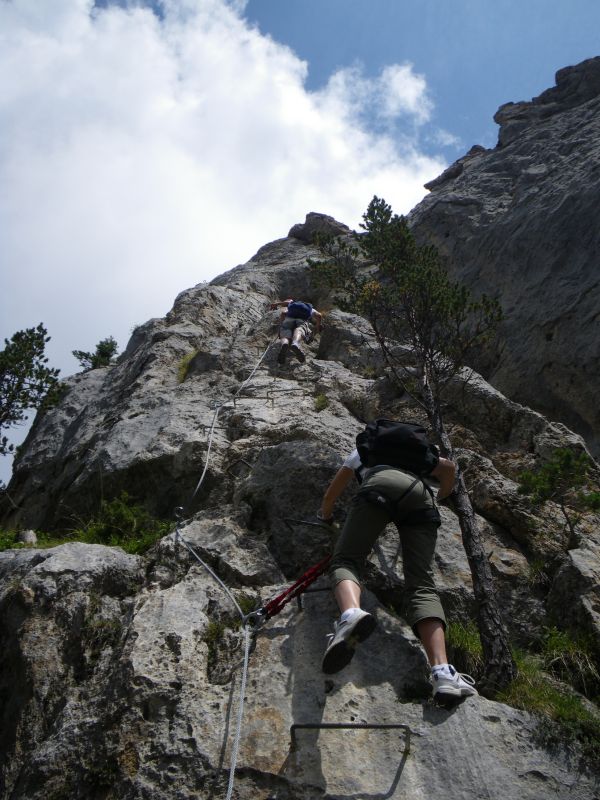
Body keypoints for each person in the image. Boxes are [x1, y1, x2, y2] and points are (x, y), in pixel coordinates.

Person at [317, 434, 478, 703]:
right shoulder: (418, 455)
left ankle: (350, 615)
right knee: (422, 585)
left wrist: (326, 515)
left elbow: (331, 494)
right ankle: (443, 674)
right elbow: (449, 468)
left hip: (379, 485)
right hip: (420, 494)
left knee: (346, 560)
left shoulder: (363, 452)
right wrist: (441, 495)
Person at [270, 299, 322, 364]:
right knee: (300, 329)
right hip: (302, 320)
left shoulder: (293, 303)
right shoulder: (310, 308)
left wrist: (276, 304)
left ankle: (284, 344)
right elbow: (319, 315)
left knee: (285, 330)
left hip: (289, 318)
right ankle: (295, 343)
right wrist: (317, 327)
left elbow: (284, 313)